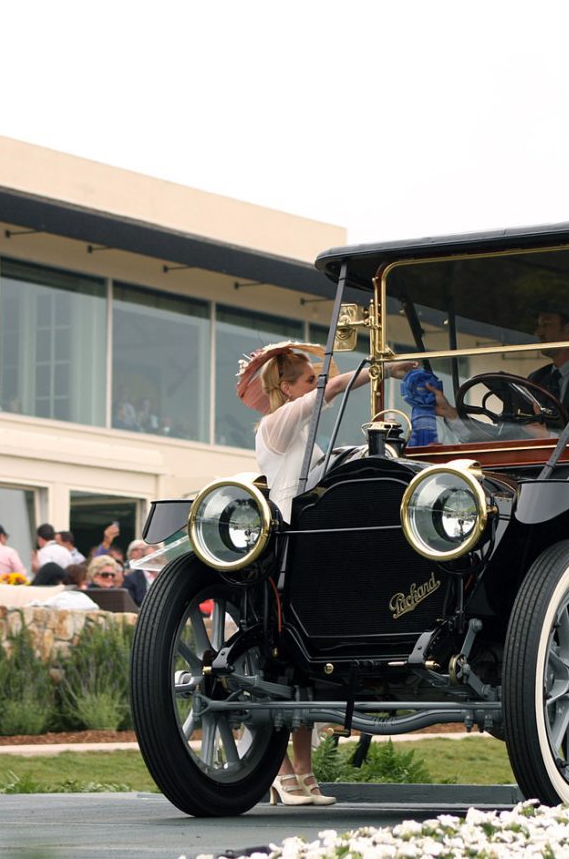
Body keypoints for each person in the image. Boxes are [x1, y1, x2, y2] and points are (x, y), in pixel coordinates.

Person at [237, 339, 418, 806]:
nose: (314, 387)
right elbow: (332, 390)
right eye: (305, 380)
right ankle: (280, 774)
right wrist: (382, 372)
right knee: (283, 660)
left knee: (306, 671)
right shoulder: (275, 425)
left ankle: (304, 773)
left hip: (313, 536)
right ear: (286, 386)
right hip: (288, 538)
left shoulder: (299, 431)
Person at [121, 539, 158, 606]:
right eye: (150, 557)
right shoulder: (131, 579)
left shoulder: (166, 574)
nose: (153, 560)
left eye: (156, 556)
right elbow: (130, 605)